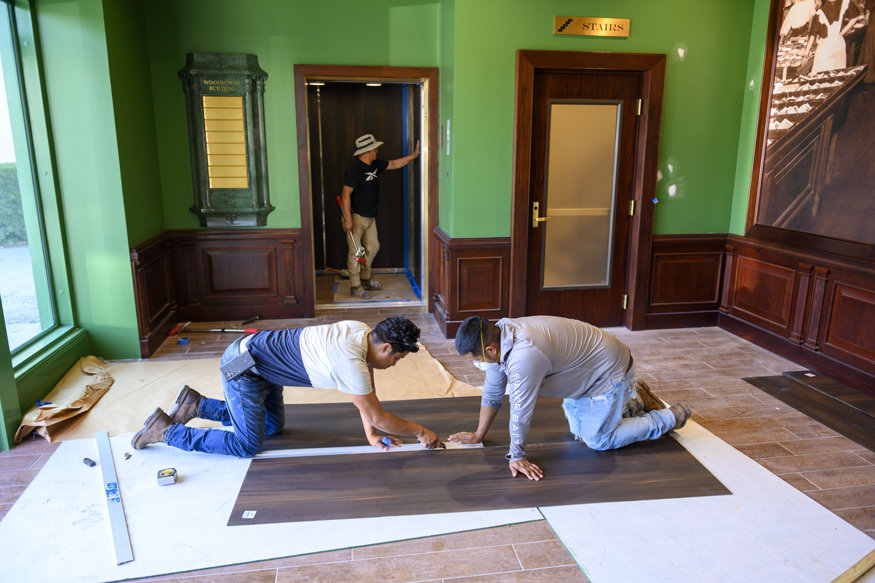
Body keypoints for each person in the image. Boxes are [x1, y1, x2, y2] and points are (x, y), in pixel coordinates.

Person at [131, 316, 443, 457]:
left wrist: (371, 433)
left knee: (272, 426)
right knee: (247, 445)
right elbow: (375, 412)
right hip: (242, 368)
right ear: (387, 348)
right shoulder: (350, 363)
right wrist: (419, 430)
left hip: (254, 356)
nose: (395, 365)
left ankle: (196, 405)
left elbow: (366, 396)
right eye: (399, 359)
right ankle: (166, 431)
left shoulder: (360, 331)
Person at [448, 315, 691, 481]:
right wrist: (478, 434)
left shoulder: (523, 357)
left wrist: (517, 456)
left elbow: (521, 412)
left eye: (476, 359)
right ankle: (633, 399)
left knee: (598, 440)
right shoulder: (498, 335)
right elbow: (492, 392)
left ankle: (669, 416)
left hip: (608, 374)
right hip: (591, 373)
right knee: (577, 428)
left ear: (490, 349)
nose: (477, 364)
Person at [340, 133, 420, 298]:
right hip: (356, 217)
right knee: (356, 253)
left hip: (370, 217)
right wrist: (348, 219)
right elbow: (345, 195)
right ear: (367, 151)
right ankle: (355, 286)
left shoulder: (375, 165)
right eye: (375, 149)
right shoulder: (355, 169)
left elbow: (394, 164)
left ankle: (365, 278)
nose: (377, 152)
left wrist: (414, 155)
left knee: (373, 247)